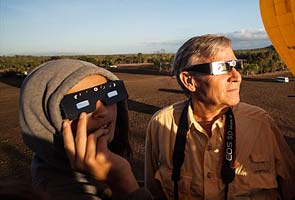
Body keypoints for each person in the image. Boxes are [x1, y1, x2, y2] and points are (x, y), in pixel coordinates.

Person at [145, 34, 295, 200]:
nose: (237, 77)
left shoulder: (260, 123)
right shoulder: (161, 124)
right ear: (189, 81)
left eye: (235, 65)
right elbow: (153, 191)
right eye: (223, 68)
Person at [19, 59, 152, 200]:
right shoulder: (59, 191)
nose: (103, 112)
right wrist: (124, 183)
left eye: (110, 95)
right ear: (44, 117)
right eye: (81, 105)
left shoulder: (105, 157)